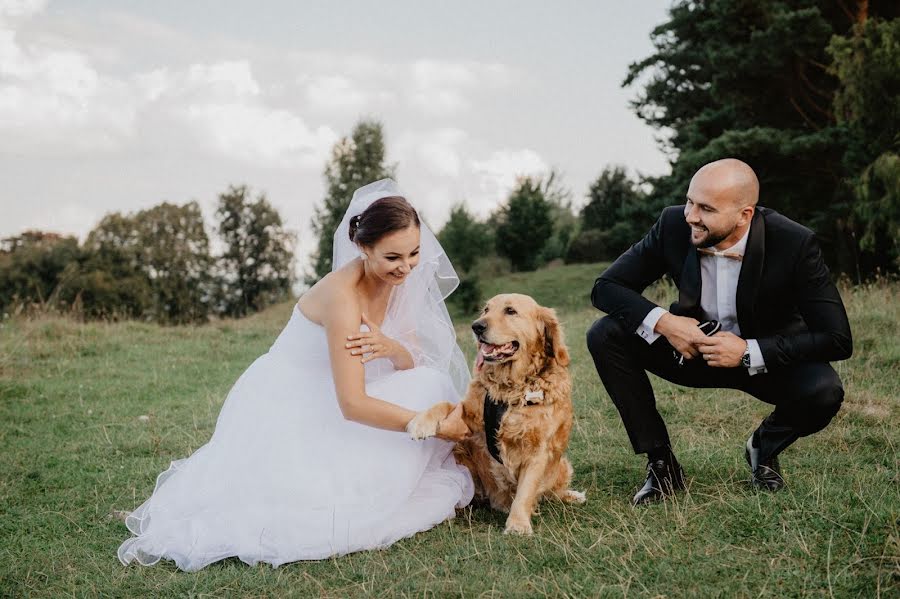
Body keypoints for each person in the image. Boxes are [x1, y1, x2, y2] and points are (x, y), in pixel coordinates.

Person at [118, 179, 473, 571]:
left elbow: (410, 362)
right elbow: (353, 405)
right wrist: (432, 428)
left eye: (414, 253)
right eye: (393, 257)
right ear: (363, 247)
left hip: (342, 388)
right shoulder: (342, 298)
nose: (405, 266)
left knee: (432, 384)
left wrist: (390, 347)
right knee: (332, 489)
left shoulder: (397, 279)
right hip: (293, 401)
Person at [586, 158, 852, 506]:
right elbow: (605, 287)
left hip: (763, 360)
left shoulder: (794, 243)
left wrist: (747, 351)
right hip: (689, 351)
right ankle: (662, 465)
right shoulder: (672, 224)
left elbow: (837, 338)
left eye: (706, 208)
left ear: (744, 214)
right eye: (690, 201)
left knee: (824, 391)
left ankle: (763, 446)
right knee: (604, 334)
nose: (691, 215)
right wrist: (668, 324)